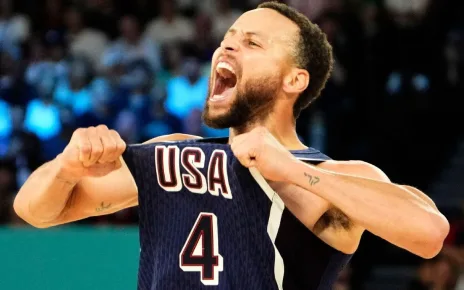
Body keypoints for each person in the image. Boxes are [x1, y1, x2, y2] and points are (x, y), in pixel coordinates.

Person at [14, 2, 449, 290]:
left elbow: (429, 233)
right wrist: (66, 166)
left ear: (293, 80)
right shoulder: (175, 153)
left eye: (251, 43)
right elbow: (34, 210)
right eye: (228, 38)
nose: (227, 46)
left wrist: (293, 171)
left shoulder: (322, 176)